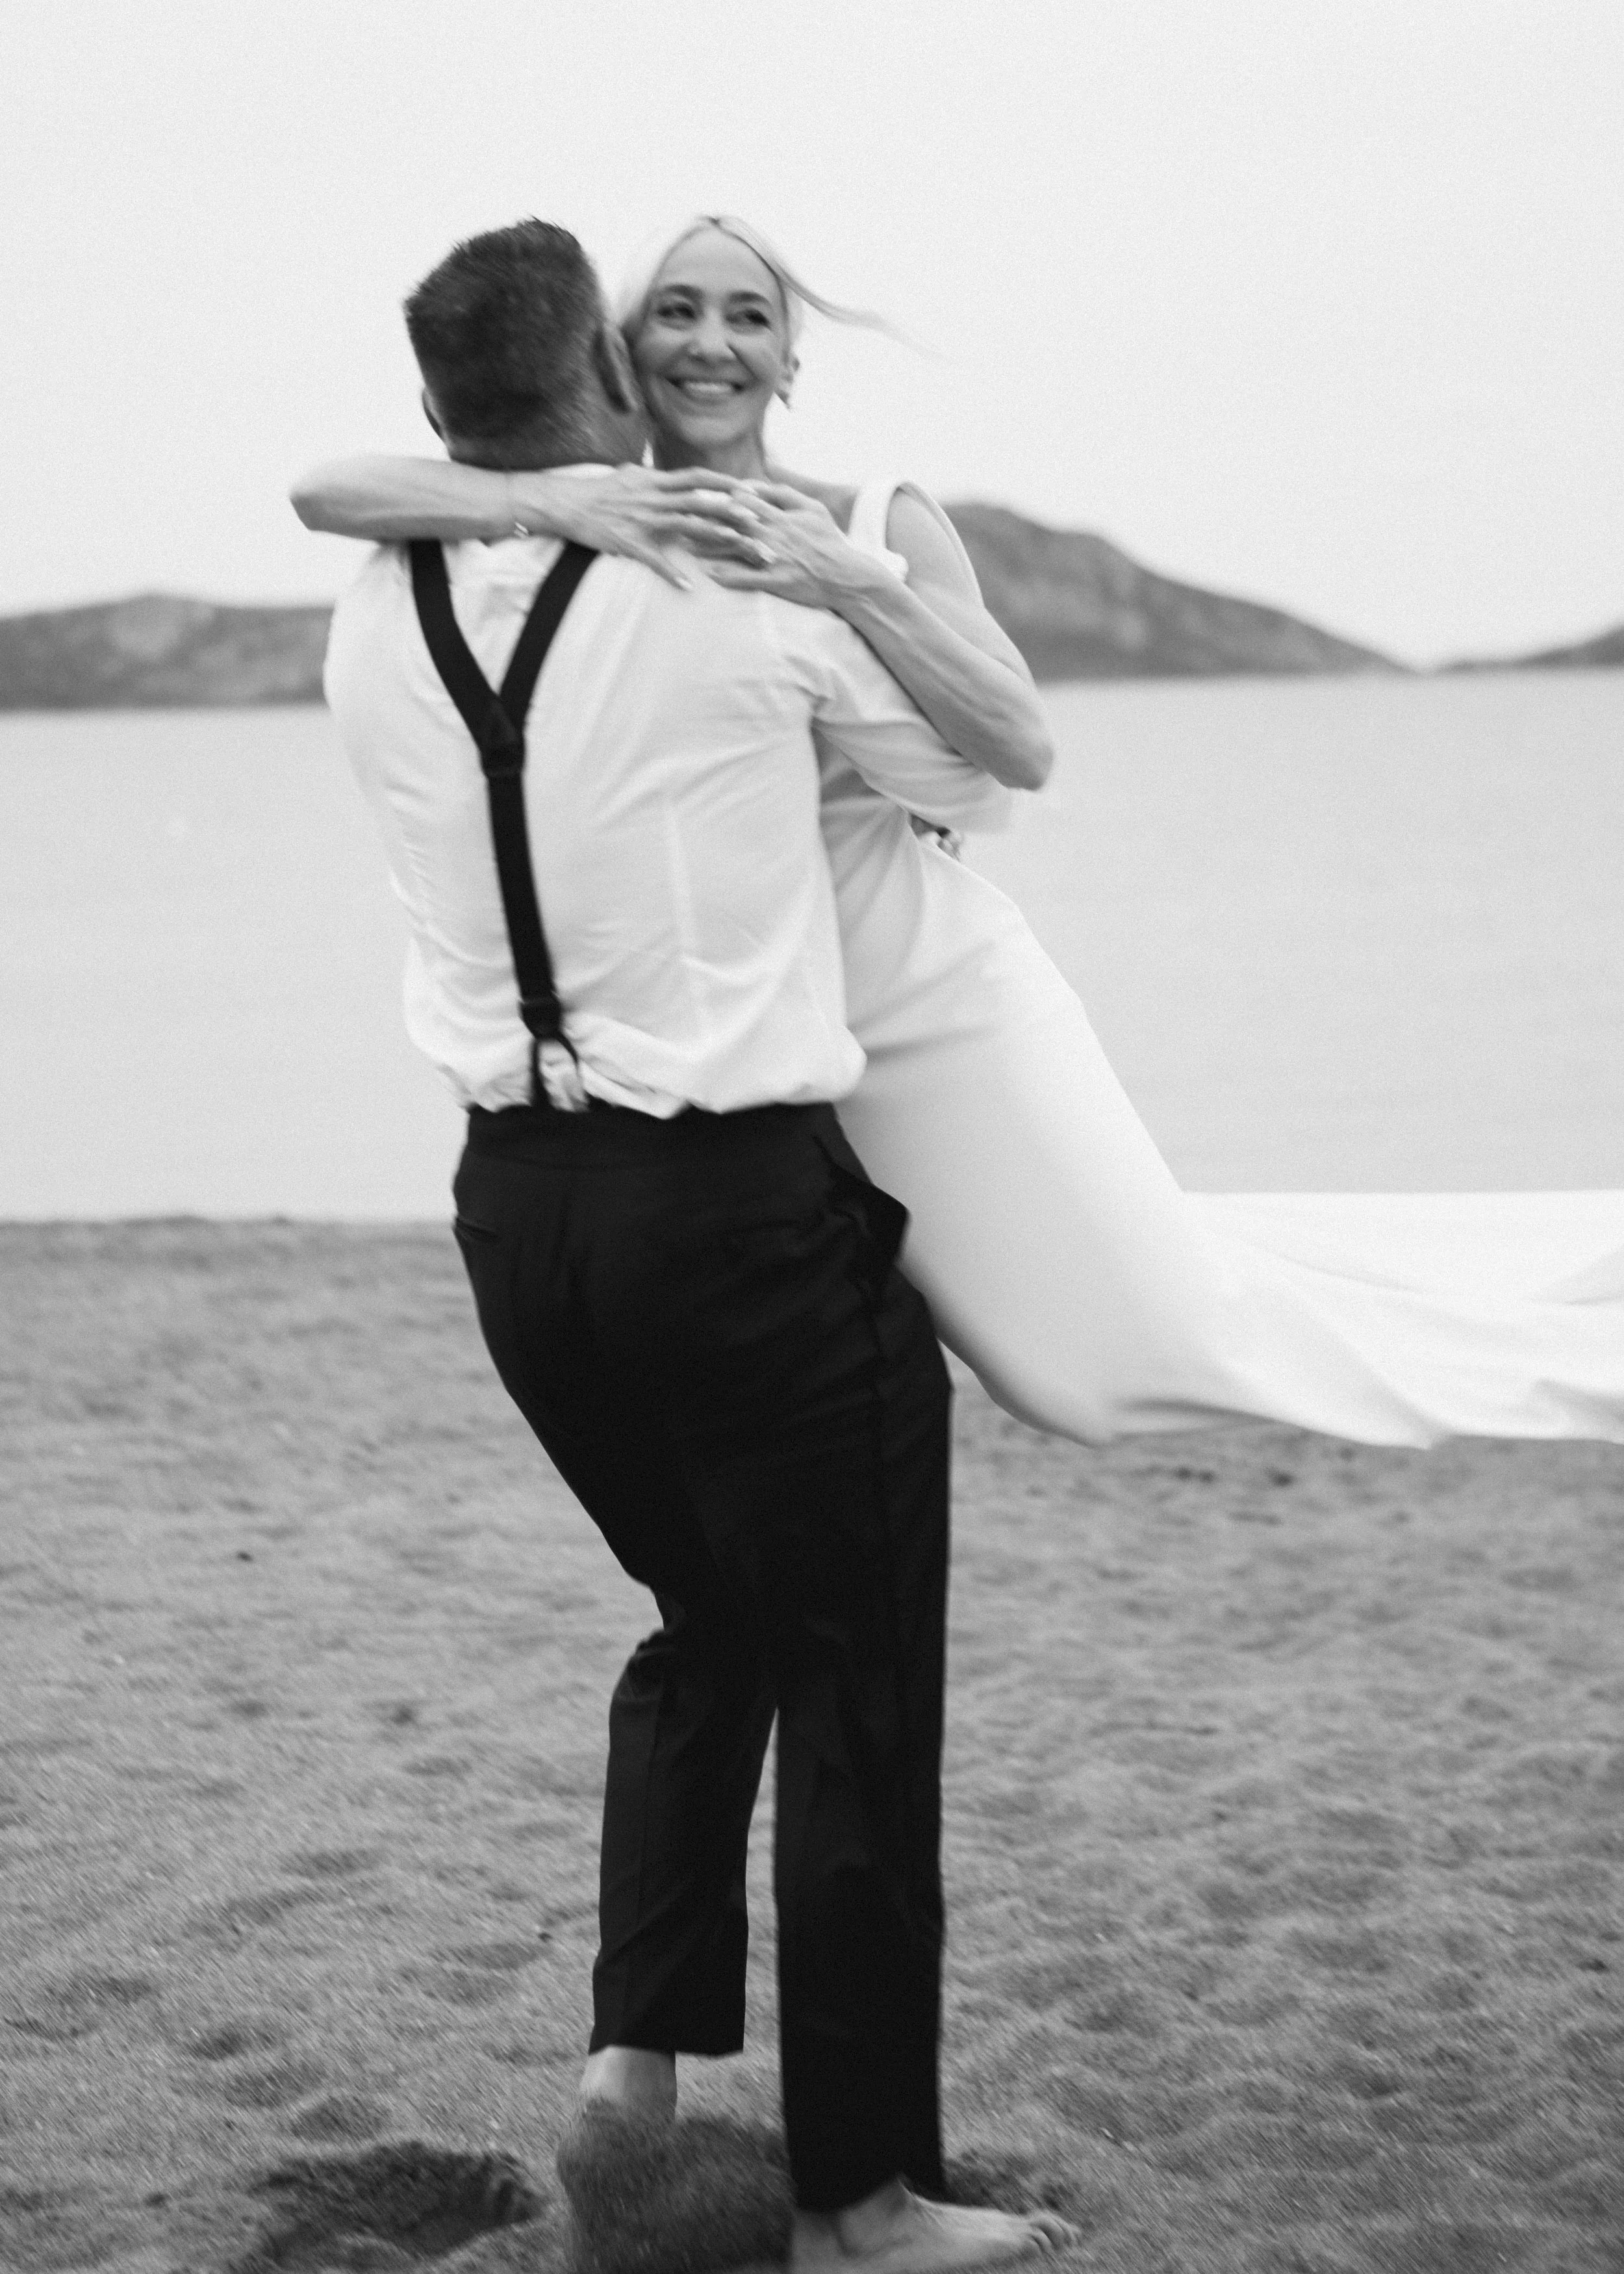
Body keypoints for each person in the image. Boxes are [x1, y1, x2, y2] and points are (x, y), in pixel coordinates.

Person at [299, 214, 1624, 1450]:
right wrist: (557, 503)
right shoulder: (594, 529)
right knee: (954, 1364)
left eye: (749, 316)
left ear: (790, 360)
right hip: (739, 1058)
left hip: (918, 995)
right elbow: (323, 486)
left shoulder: (875, 516)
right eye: (679, 313)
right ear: (617, 355)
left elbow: (1017, 746)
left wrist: (844, 578)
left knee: (1112, 1357)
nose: (712, 342)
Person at [318, 216, 1073, 2272]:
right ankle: (857, 2198)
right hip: (734, 1217)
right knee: (852, 1679)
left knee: (699, 1620)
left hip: (515, 1225)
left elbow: (357, 492)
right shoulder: (731, 593)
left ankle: (630, 2073)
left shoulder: (368, 611)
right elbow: (993, 758)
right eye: (661, 326)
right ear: (603, 385)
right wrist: (860, 567)